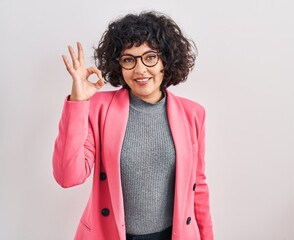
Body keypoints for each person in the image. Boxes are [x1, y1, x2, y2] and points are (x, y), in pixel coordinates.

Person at [52, 11, 213, 240]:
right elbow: (68, 177)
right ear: (119, 65)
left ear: (165, 60)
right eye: (129, 59)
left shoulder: (193, 114)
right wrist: (78, 102)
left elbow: (199, 185)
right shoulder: (98, 109)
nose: (140, 70)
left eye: (150, 57)